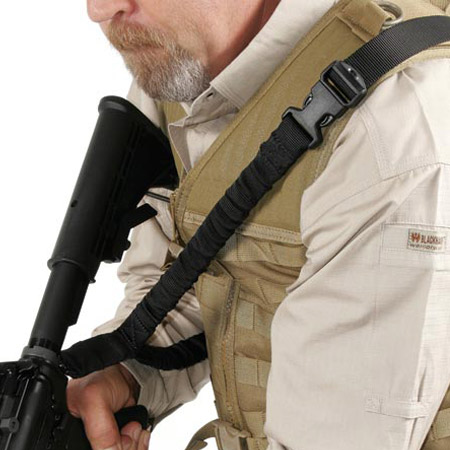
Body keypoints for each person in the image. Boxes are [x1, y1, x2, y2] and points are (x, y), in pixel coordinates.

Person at [66, 0, 450, 449]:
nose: (99, 9)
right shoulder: (183, 62)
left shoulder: (390, 127)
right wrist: (128, 372)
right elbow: (203, 261)